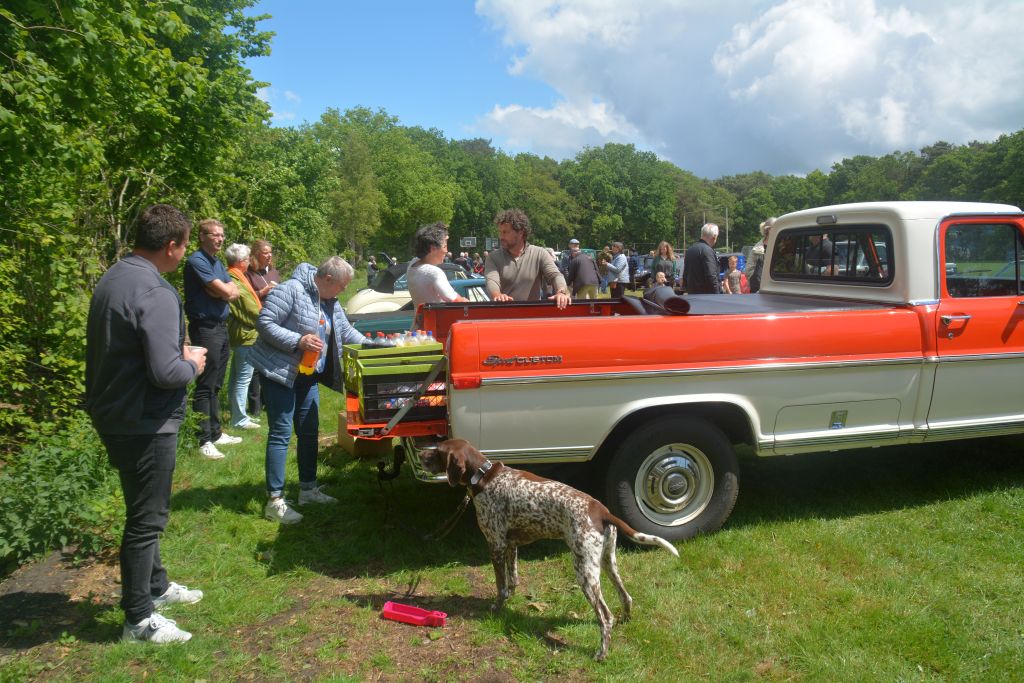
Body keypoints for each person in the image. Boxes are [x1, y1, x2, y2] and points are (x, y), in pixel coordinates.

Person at [85, 204, 207, 644]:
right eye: (185, 243)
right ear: (172, 246)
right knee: (146, 520)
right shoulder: (154, 291)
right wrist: (191, 362)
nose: (185, 252)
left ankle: (156, 585)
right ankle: (138, 619)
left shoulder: (117, 275)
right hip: (144, 420)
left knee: (141, 508)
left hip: (115, 412)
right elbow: (166, 373)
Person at [249, 257, 376, 525]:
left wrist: (374, 347)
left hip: (307, 375)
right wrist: (299, 340)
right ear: (327, 279)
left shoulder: (329, 299)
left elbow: (345, 332)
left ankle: (308, 489)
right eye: (342, 286)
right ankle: (275, 501)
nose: (343, 291)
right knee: (281, 433)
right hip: (279, 374)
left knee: (309, 430)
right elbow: (265, 323)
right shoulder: (289, 289)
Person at [183, 218, 242, 459]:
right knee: (206, 385)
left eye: (221, 235)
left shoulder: (216, 263)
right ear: (202, 236)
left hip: (220, 326)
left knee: (216, 382)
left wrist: (219, 291)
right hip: (205, 327)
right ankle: (203, 438)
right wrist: (222, 291)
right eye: (214, 235)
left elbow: (233, 291)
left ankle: (216, 432)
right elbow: (227, 291)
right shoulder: (197, 260)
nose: (219, 239)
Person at [484, 208, 570, 309]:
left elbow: (555, 275)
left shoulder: (539, 253)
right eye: (500, 232)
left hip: (530, 318)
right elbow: (492, 281)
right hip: (503, 316)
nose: (501, 236)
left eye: (505, 232)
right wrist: (497, 295)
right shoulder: (493, 257)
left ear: (520, 233)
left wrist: (561, 292)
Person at [225, 243, 262, 430]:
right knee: (243, 378)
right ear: (240, 262)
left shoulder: (235, 277)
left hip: (242, 334)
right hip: (245, 335)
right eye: (247, 259)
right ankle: (239, 419)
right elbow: (251, 308)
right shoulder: (235, 279)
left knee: (236, 376)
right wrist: (267, 319)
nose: (249, 262)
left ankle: (237, 413)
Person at [244, 239, 280, 417]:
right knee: (255, 366)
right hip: (257, 321)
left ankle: (268, 400)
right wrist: (262, 293)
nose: (269, 255)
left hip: (275, 321)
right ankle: (254, 406)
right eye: (265, 252)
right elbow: (245, 298)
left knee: (270, 362)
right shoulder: (249, 274)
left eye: (270, 252)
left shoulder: (273, 272)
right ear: (256, 254)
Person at [407, 222, 469, 308]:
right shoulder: (433, 272)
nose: (446, 251)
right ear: (433, 248)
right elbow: (452, 298)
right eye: (445, 246)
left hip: (420, 320)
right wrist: (465, 301)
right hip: (438, 321)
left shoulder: (412, 265)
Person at [684, 223, 722, 294]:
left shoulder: (690, 250)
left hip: (692, 294)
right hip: (707, 296)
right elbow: (711, 275)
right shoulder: (708, 251)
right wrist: (717, 295)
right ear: (714, 237)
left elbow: (685, 274)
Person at [745, 218, 774, 293]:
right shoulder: (757, 248)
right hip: (758, 290)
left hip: (776, 287)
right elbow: (749, 270)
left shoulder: (782, 246)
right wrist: (758, 283)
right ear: (768, 230)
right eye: (775, 228)